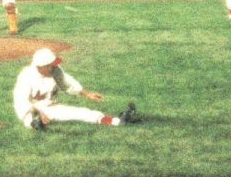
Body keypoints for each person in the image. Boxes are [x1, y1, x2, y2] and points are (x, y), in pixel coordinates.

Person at [13, 47, 141, 129]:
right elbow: (21, 101)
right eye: (50, 65)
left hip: (51, 107)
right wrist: (38, 113)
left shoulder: (55, 71)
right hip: (31, 111)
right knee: (31, 121)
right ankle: (37, 124)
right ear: (41, 66)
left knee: (82, 112)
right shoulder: (26, 76)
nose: (53, 67)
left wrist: (86, 93)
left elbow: (67, 83)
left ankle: (117, 121)